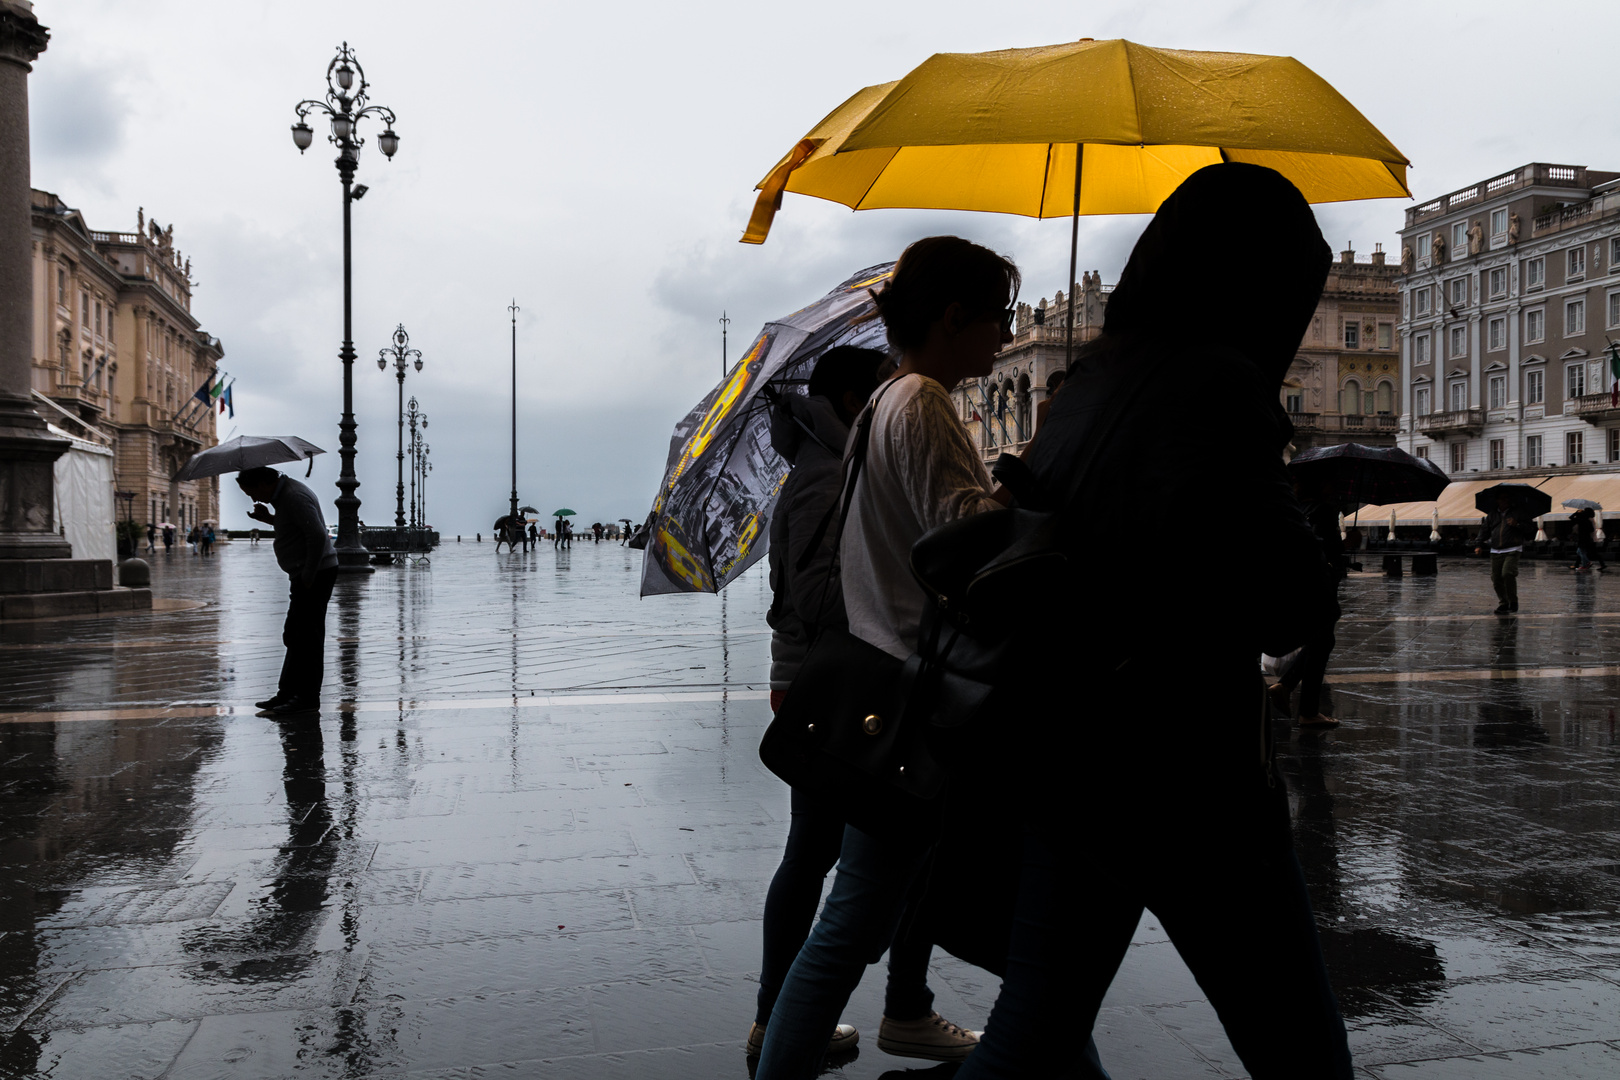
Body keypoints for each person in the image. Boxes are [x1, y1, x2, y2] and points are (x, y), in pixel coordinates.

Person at [966, 163, 1352, 1079]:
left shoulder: (1088, 388)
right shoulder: (1217, 383)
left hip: (1069, 753)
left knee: (1034, 1027)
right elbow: (1287, 600)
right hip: (1188, 767)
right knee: (1299, 1042)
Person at [755, 237, 1023, 1080]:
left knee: (859, 920)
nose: (1004, 338)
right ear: (953, 317)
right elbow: (968, 547)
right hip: (930, 695)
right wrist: (1023, 500)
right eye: (998, 319)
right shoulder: (925, 404)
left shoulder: (878, 404)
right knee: (872, 928)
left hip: (893, 682)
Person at [753, 346, 976, 1063]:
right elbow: (819, 596)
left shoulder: (823, 463)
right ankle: (784, 1019)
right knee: (826, 859)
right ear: (853, 399)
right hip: (837, 684)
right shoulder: (825, 474)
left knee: (842, 859)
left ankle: (814, 1015)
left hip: (824, 680)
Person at [237, 465, 340, 717]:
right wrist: (268, 519)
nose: (253, 498)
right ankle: (287, 693)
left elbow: (317, 536)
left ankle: (306, 698)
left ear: (264, 483)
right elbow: (294, 526)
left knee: (308, 638)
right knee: (295, 634)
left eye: (251, 492)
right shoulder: (285, 497)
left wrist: (307, 576)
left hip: (314, 575)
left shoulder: (294, 495)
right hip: (306, 574)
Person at [1270, 483, 1345, 728]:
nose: (1337, 489)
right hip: (1318, 583)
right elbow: (1320, 546)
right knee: (1322, 640)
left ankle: (1287, 687)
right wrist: (1342, 549)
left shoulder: (1298, 506)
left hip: (1301, 582)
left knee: (1321, 640)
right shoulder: (1323, 510)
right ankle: (1307, 710)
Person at [1474, 493, 1529, 614]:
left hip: (1513, 548)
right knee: (1496, 578)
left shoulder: (1518, 513)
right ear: (1497, 500)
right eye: (1501, 498)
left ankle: (1513, 601)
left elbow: (1529, 529)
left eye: (1506, 498)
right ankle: (1504, 602)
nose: (1504, 501)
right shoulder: (1492, 514)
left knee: (1508, 573)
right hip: (1496, 550)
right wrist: (1478, 544)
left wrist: (1517, 524)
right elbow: (1484, 530)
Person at [1572, 507, 1603, 571]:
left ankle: (1585, 564)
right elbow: (1591, 529)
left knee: (1583, 552)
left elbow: (1571, 518)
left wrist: (1576, 513)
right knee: (1580, 551)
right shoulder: (1589, 520)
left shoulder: (1585, 520)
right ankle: (1579, 564)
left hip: (1586, 538)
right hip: (1589, 538)